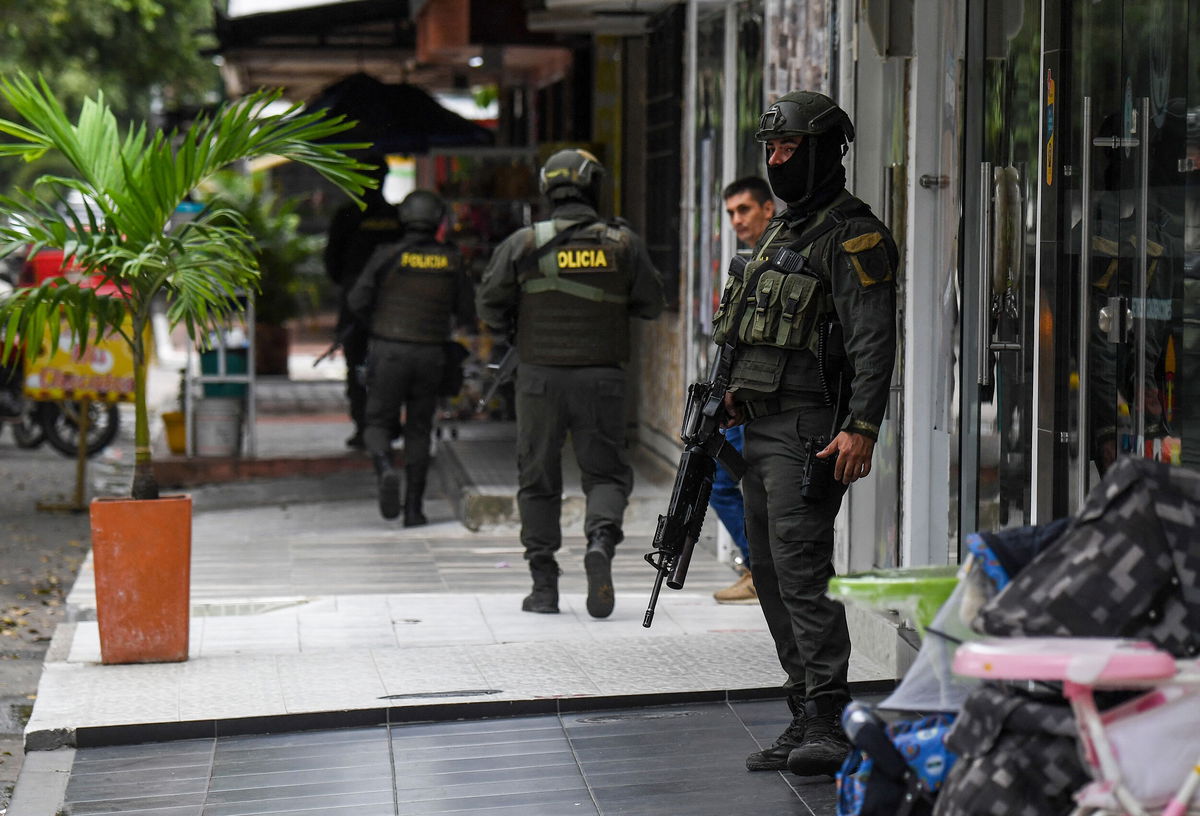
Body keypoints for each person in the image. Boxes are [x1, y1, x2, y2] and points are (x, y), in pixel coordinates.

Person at [713, 92, 897, 777]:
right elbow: (764, 335)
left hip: (809, 430)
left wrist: (862, 427)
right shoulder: (781, 235)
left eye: (790, 148)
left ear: (823, 151)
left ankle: (830, 715)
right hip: (759, 427)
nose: (778, 159)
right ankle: (805, 712)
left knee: (801, 572)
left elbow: (875, 343)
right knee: (768, 573)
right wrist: (733, 397)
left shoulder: (854, 236)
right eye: (772, 149)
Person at [476, 148, 665, 618]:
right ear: (592, 186)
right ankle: (600, 541)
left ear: (547, 189)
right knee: (604, 473)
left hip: (538, 378)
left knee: (537, 479)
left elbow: (487, 305)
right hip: (601, 378)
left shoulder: (522, 243)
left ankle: (544, 587)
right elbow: (651, 304)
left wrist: (518, 325)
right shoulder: (622, 243)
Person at [348, 189, 475, 525]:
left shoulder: (386, 254)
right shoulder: (452, 259)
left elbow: (357, 300)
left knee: (377, 422)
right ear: (437, 220)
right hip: (431, 353)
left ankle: (385, 467)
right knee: (419, 428)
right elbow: (466, 312)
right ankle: (414, 510)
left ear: (405, 218)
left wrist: (376, 324)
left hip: (389, 350)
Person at [711, 176, 777, 605]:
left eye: (744, 210)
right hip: (741, 393)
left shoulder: (781, 256)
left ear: (768, 208)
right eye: (731, 212)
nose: (736, 220)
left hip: (765, 397)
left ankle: (762, 570)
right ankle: (761, 569)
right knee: (719, 479)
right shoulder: (751, 259)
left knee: (723, 481)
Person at [324, 153, 405, 449]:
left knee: (357, 364)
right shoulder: (397, 217)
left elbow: (332, 262)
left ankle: (364, 427)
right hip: (394, 305)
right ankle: (390, 423)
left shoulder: (347, 215)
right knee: (391, 364)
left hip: (355, 305)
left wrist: (350, 288)